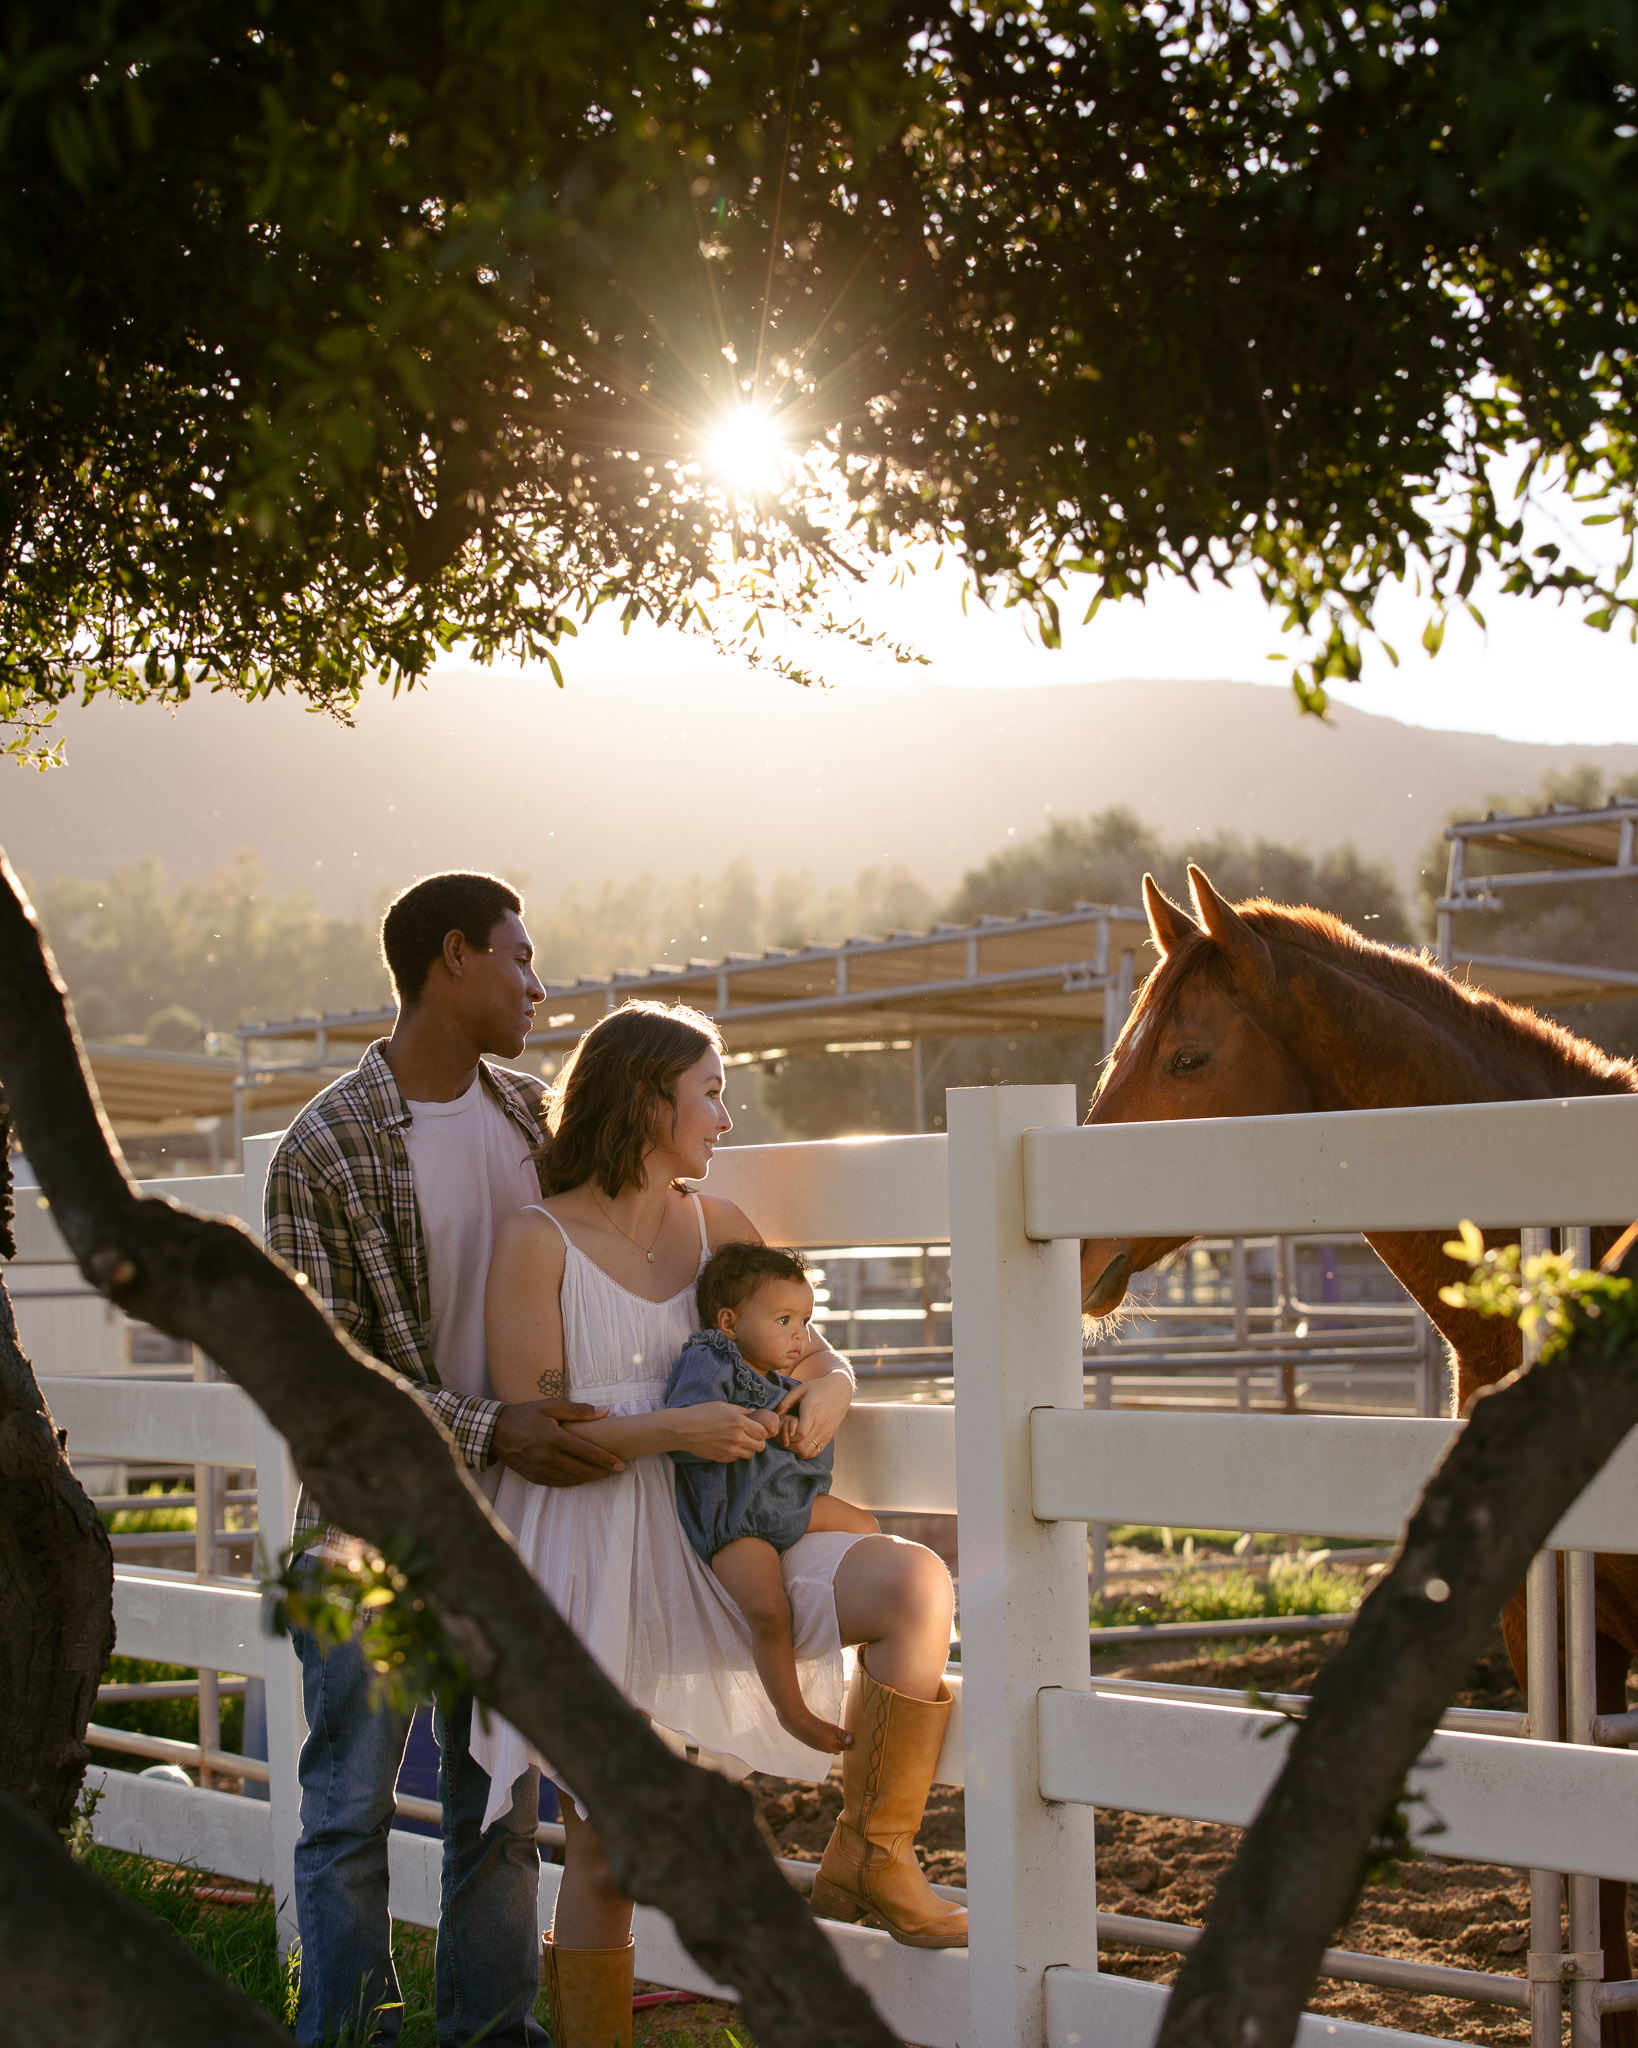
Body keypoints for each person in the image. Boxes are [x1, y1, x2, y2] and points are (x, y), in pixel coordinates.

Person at [479, 1000, 967, 2048]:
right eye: (711, 1091)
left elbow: (808, 1345)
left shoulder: (725, 1227)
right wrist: (675, 1426)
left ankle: (873, 1846)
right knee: (608, 1846)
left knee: (914, 1583)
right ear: (648, 1096)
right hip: (602, 1543)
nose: (727, 1116)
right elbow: (539, 1437)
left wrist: (833, 1382)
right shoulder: (536, 1238)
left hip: (735, 1522)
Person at [265, 871, 622, 2048]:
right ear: (453, 956)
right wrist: (487, 1428)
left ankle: (490, 2033)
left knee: (500, 1808)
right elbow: (318, 1380)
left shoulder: (537, 1121)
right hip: (369, 1528)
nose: (538, 983)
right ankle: (350, 2034)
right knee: (348, 1811)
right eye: (523, 956)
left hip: (516, 1522)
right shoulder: (322, 1149)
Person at [664, 1242, 880, 1752]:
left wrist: (789, 1421)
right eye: (784, 1319)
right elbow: (689, 1420)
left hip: (788, 1506)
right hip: (738, 1519)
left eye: (804, 1321)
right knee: (767, 1608)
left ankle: (866, 1662)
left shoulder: (779, 1379)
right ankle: (793, 1713)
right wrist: (755, 1420)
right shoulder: (709, 1358)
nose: (799, 1335)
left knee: (868, 1530)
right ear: (730, 1321)